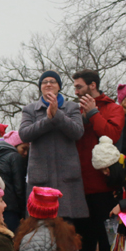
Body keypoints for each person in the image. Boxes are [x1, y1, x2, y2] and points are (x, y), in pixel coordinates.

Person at [71, 70, 125, 251]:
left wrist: (93, 112)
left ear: (92, 86)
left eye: (79, 87)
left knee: (106, 237)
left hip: (105, 186)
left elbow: (112, 134)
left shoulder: (113, 108)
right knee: (84, 237)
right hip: (79, 185)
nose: (75, 91)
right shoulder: (75, 111)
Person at [19, 71, 88, 220]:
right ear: (40, 87)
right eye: (44, 82)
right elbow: (24, 134)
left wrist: (57, 115)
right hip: (41, 175)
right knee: (41, 224)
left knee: (67, 229)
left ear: (59, 87)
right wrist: (48, 120)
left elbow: (77, 132)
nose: (48, 84)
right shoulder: (30, 109)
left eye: (52, 81)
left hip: (67, 176)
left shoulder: (72, 107)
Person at [0, 132, 27, 233]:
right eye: (24, 148)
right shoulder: (15, 157)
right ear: (15, 145)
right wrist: (23, 211)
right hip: (11, 207)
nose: (26, 153)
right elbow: (19, 187)